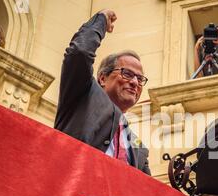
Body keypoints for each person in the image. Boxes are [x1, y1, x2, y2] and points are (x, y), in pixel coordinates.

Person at [55, 9, 151, 175]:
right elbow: (79, 53)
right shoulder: (82, 94)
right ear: (102, 78)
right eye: (127, 74)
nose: (135, 82)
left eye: (140, 79)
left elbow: (147, 194)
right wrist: (100, 21)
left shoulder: (139, 149)